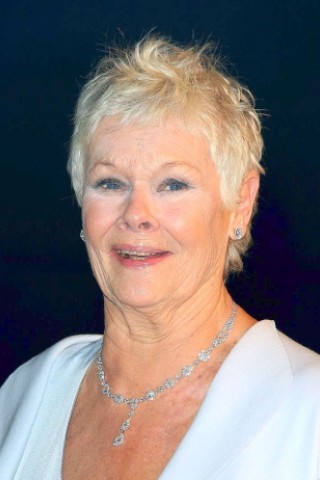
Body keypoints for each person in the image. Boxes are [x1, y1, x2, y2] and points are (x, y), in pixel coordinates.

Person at [0, 35, 319, 480]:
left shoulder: (307, 409)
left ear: (240, 203)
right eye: (110, 183)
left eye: (173, 184)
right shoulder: (25, 395)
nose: (136, 215)